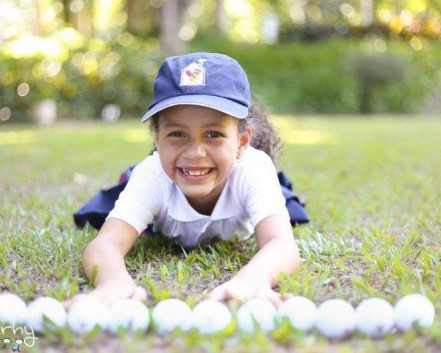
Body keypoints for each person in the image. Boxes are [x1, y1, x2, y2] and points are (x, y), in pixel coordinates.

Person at [69, 52, 302, 307]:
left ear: (242, 141)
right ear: (157, 140)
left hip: (249, 181)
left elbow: (281, 243)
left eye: (213, 134)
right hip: (157, 185)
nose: (195, 153)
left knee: (287, 204)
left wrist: (252, 280)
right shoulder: (153, 174)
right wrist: (112, 282)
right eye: (177, 134)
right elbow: (106, 243)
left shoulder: (253, 168)